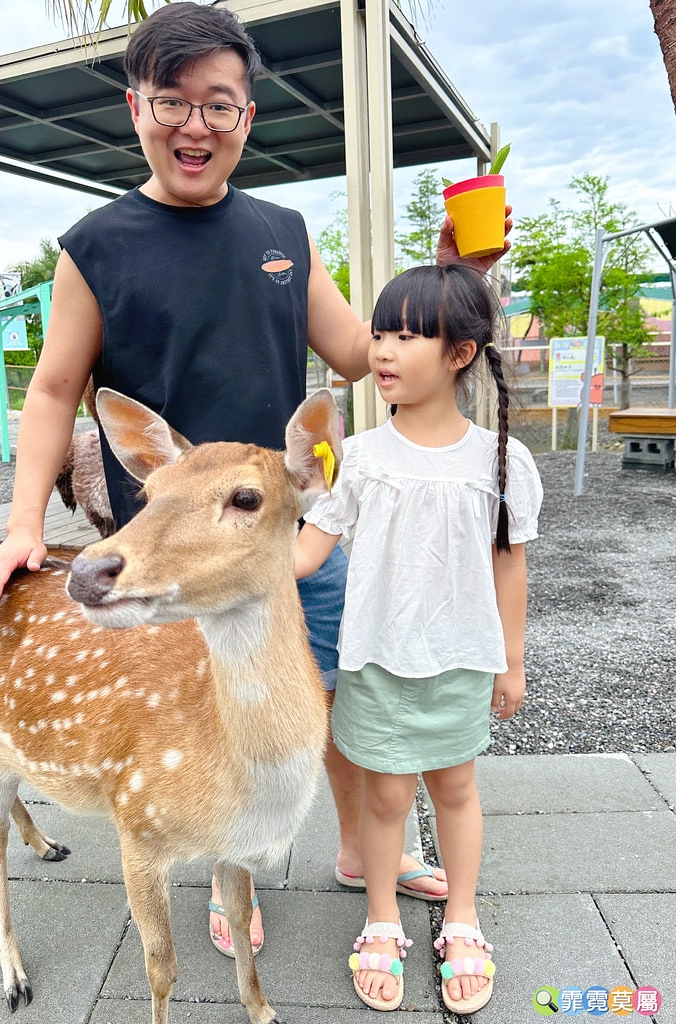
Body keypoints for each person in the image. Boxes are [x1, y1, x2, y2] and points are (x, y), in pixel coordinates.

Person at [0, 2, 510, 958]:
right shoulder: (95, 248)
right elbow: (54, 389)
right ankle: (224, 856)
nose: (195, 126)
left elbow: (353, 352)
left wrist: (448, 282)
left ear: (248, 118)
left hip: (290, 528)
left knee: (332, 686)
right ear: (135, 107)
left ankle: (359, 845)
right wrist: (22, 526)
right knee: (204, 713)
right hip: (176, 548)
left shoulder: (283, 232)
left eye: (219, 106)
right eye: (172, 102)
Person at [295, 264, 543, 1014]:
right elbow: (307, 551)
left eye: (408, 334)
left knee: (457, 789)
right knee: (385, 796)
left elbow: (511, 570)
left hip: (462, 661)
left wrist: (512, 663)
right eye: (379, 332)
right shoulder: (361, 459)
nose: (384, 350)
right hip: (375, 661)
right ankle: (380, 917)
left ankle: (461, 916)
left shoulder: (499, 459)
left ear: (460, 352)